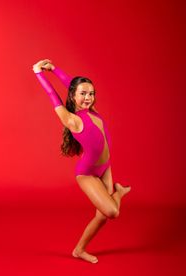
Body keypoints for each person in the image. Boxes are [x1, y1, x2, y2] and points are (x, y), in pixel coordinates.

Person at [32, 59, 131, 264]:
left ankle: (79, 250)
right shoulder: (73, 120)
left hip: (105, 168)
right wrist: (38, 73)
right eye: (83, 94)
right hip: (87, 173)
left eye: (91, 93)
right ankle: (119, 192)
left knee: (102, 216)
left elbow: (74, 85)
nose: (88, 97)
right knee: (112, 211)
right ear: (73, 96)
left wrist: (54, 68)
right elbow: (53, 96)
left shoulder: (91, 110)